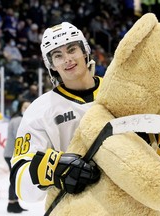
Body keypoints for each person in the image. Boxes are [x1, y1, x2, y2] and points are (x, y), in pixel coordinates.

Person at [10, 22, 102, 205]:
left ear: (85, 51)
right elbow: (21, 185)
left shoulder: (118, 91)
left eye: (72, 49)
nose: (67, 59)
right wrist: (53, 167)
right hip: (74, 208)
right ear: (51, 65)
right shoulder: (39, 111)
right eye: (57, 55)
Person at [4, 99, 30, 213]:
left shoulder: (18, 119)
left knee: (16, 178)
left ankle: (15, 202)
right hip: (12, 154)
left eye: (29, 107)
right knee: (15, 179)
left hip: (12, 153)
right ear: (20, 107)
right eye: (25, 107)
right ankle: (11, 203)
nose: (27, 109)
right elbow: (19, 137)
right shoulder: (18, 120)